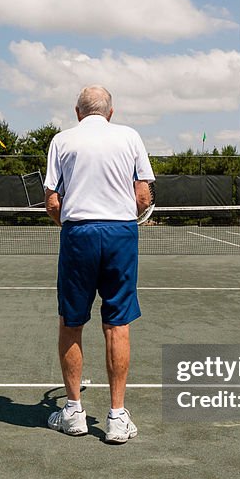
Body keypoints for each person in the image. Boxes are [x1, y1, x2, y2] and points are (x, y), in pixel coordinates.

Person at [43, 85, 154, 444]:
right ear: (110, 112)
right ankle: (117, 418)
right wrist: (120, 218)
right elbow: (142, 196)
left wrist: (77, 226)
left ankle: (73, 413)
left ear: (78, 112)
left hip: (78, 235)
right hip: (120, 234)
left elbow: (52, 203)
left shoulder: (61, 141)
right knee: (117, 324)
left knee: (70, 321)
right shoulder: (130, 136)